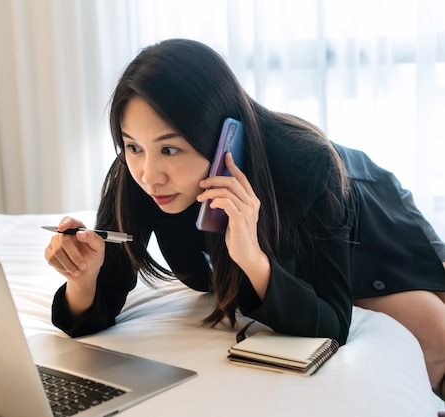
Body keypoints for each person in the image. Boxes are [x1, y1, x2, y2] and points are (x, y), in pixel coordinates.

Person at [44, 38, 445, 400]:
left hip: (362, 213)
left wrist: (251, 258)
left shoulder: (307, 165)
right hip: (309, 234)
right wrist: (82, 279)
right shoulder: (138, 177)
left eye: (170, 150)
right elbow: (102, 301)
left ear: (223, 137)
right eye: (132, 146)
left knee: (436, 335)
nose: (150, 174)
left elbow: (333, 324)